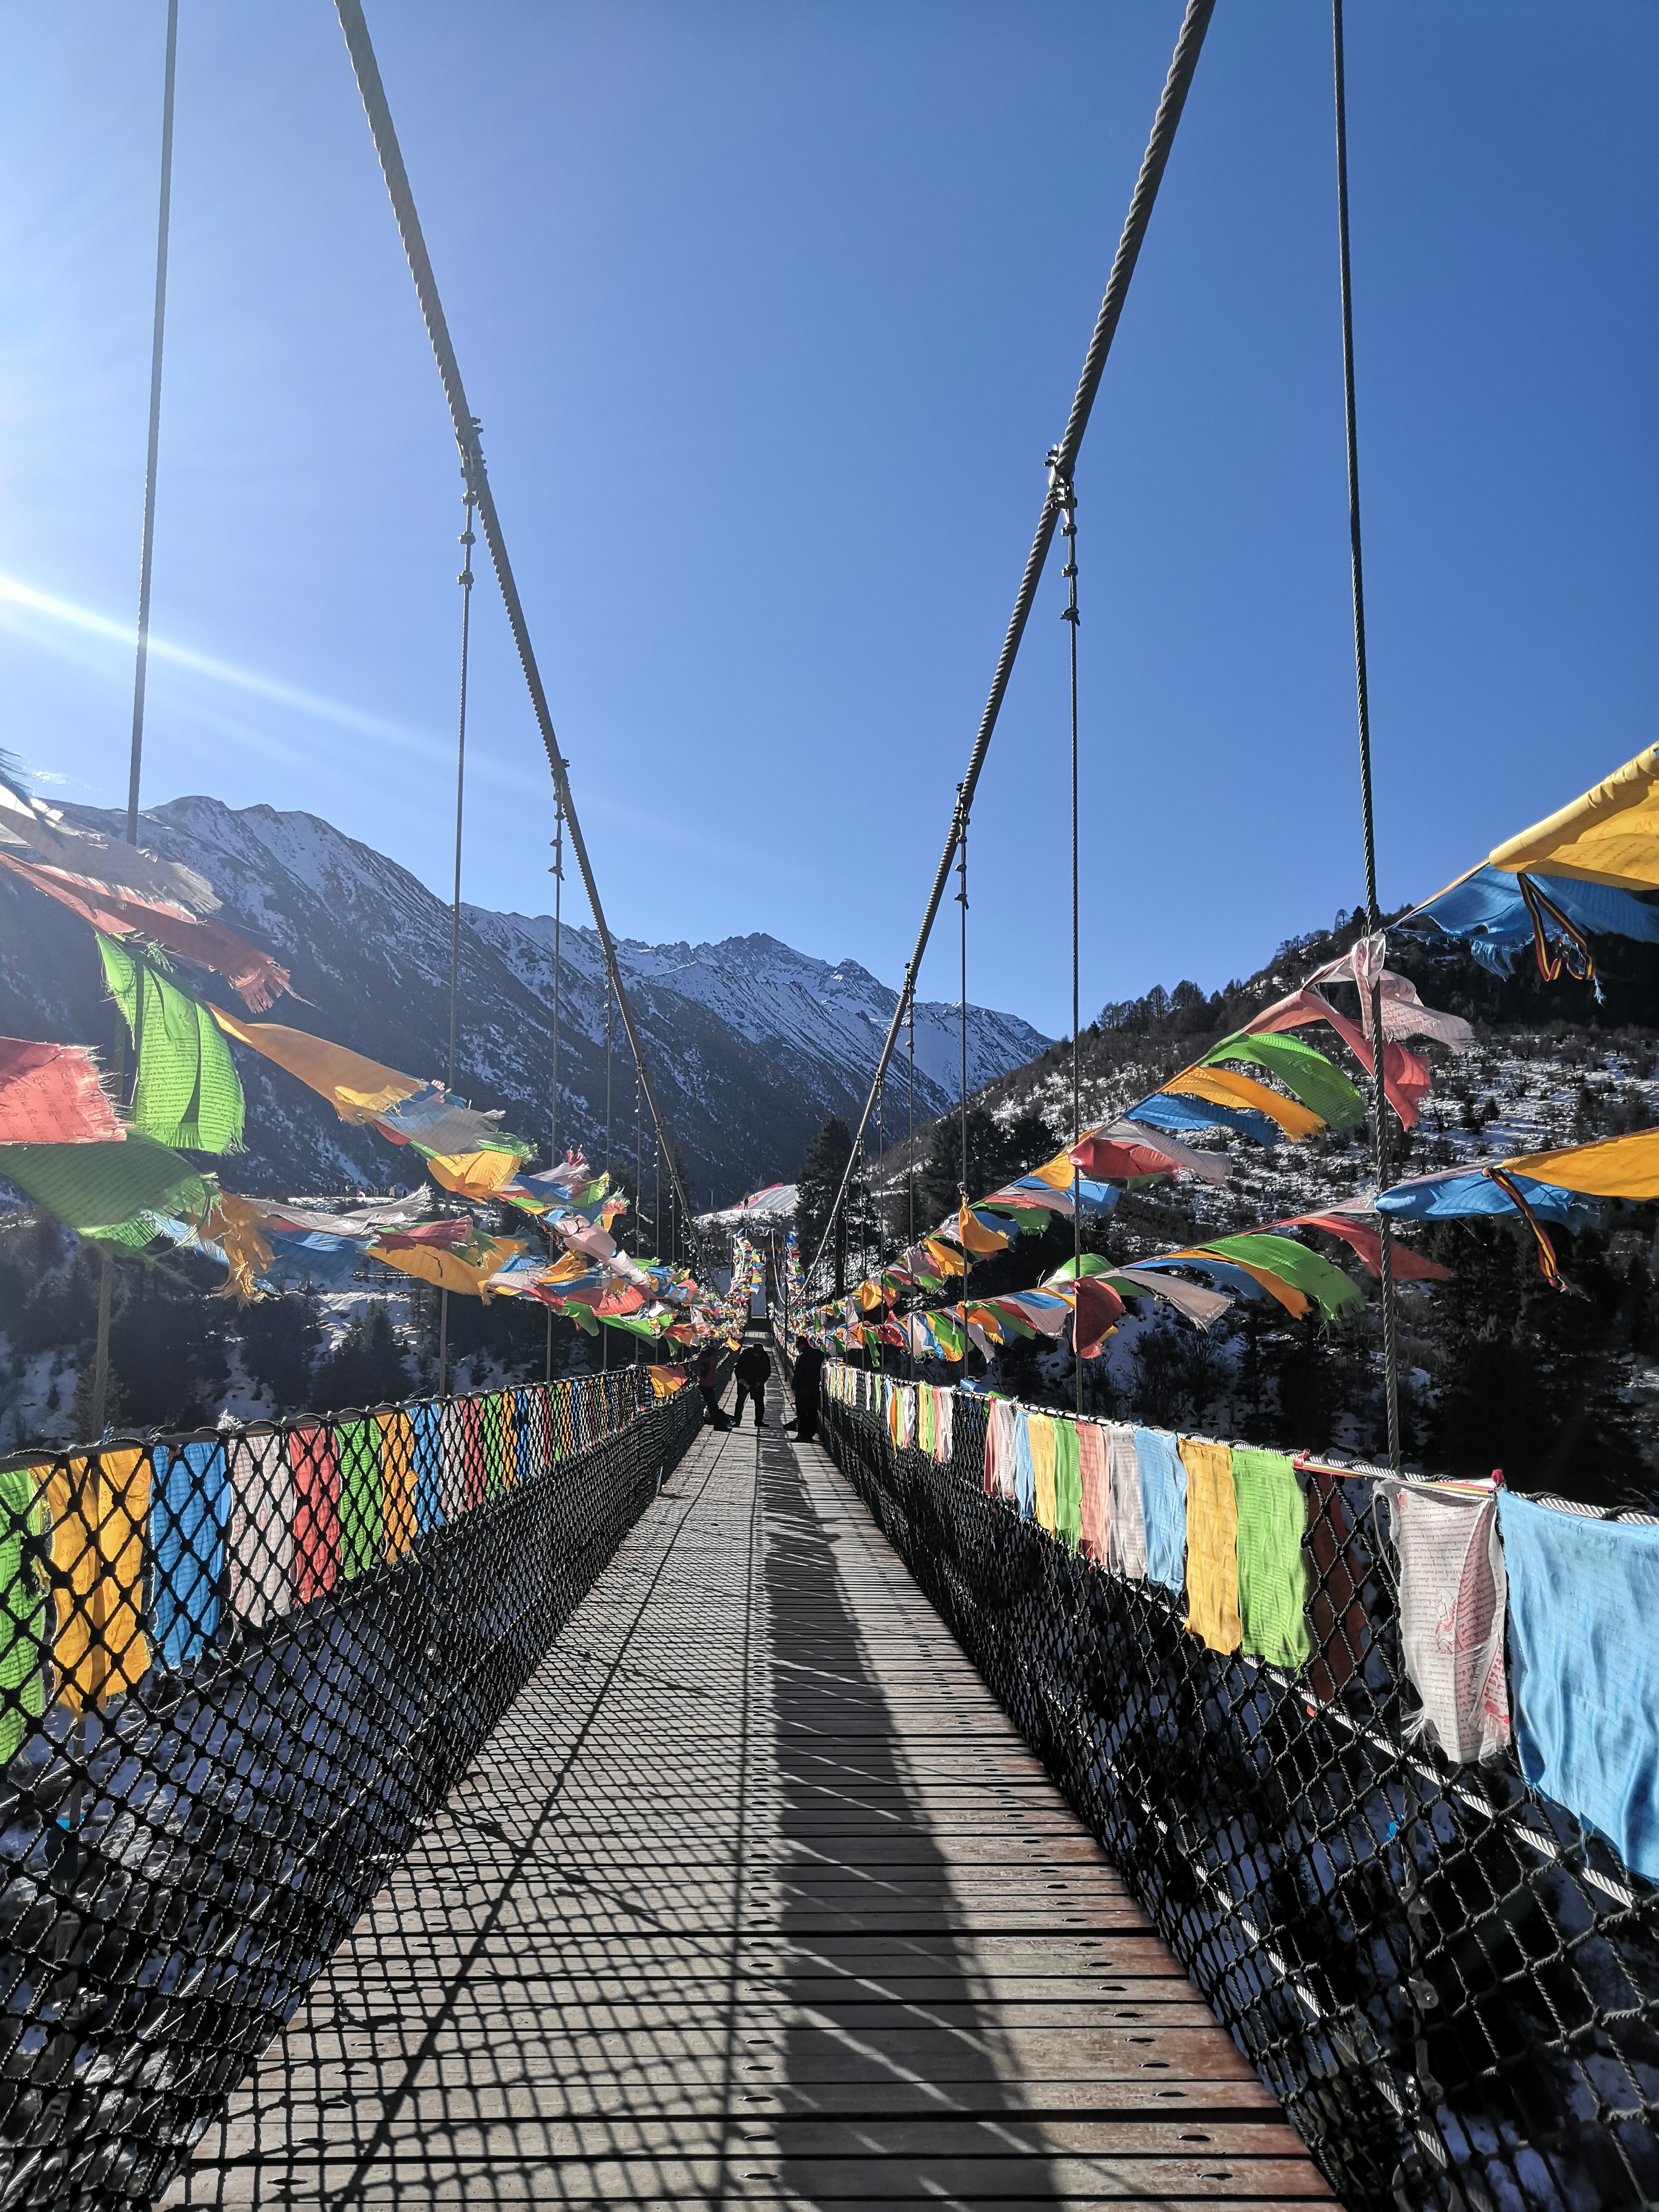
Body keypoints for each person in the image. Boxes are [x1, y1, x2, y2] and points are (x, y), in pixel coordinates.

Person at [784, 1335, 825, 1444]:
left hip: (803, 1387)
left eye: (798, 1348)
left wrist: (795, 1386)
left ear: (802, 1346)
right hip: (815, 1386)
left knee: (802, 1411)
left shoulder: (802, 1357)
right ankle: (810, 1434)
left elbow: (799, 1372)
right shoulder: (819, 1354)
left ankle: (802, 1434)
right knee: (812, 1411)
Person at [732, 1335, 772, 1428]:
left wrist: (761, 1382)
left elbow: (767, 1372)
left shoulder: (765, 1357)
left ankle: (759, 1421)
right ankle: (737, 1421)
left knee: (759, 1403)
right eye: (755, 1354)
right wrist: (742, 1380)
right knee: (740, 1402)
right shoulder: (745, 1354)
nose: (757, 1356)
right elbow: (737, 1368)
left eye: (758, 1354)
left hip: (757, 1382)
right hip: (744, 1380)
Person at [697, 1341, 732, 1429]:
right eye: (718, 1344)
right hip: (705, 1383)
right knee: (713, 1406)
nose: (720, 1346)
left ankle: (719, 1424)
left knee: (713, 1405)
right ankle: (719, 1425)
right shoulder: (708, 1354)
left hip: (709, 1383)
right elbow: (700, 1362)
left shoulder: (712, 1353)